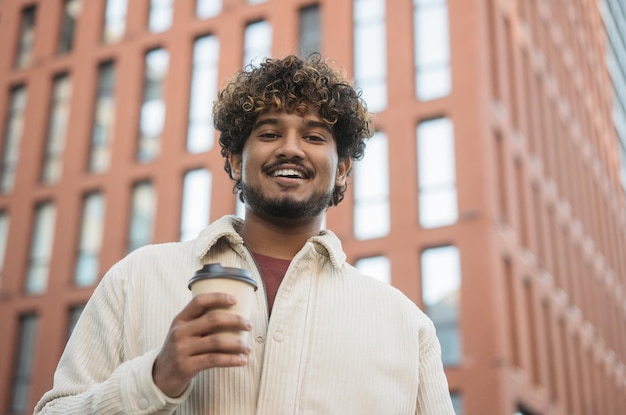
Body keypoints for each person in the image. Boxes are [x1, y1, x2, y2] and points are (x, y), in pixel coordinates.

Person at [34, 54, 455, 414]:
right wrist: (155, 379)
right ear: (236, 160)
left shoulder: (406, 327)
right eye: (269, 133)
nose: (290, 148)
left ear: (342, 169)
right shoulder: (138, 278)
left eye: (313, 136)